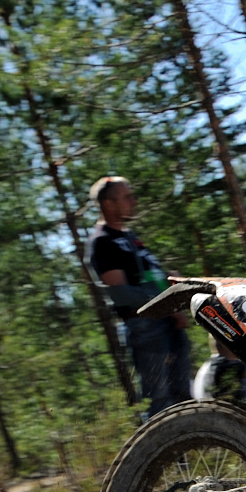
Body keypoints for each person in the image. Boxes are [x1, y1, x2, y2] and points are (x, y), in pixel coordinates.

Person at [89, 176, 193, 420]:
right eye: (127, 197)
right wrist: (166, 302)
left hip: (166, 321)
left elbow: (148, 276)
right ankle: (159, 445)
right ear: (108, 204)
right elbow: (121, 293)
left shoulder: (129, 237)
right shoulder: (102, 241)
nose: (134, 201)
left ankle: (192, 444)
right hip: (145, 327)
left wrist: (171, 283)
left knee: (183, 397)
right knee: (160, 401)